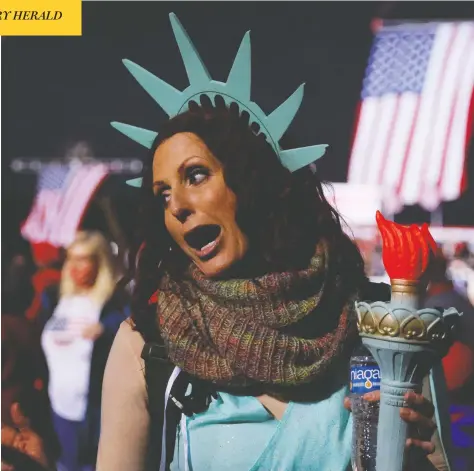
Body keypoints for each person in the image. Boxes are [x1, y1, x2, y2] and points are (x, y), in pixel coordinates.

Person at [97, 14, 448, 471]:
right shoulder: (148, 349)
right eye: (163, 194)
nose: (176, 206)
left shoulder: (379, 334)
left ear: (254, 184)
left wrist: (420, 457)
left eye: (196, 176)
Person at [39, 231, 128, 471]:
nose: (75, 266)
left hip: (93, 415)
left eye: (84, 259)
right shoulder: (54, 297)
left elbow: (131, 327)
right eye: (71, 258)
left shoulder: (112, 302)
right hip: (58, 408)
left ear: (100, 261)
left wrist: (107, 328)